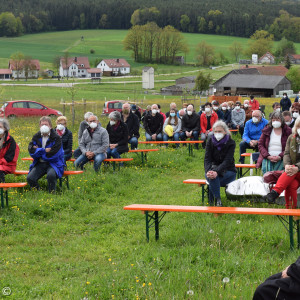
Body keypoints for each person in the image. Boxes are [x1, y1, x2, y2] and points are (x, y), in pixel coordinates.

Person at [265, 117, 300, 209]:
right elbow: (287, 153)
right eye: (298, 127)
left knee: (289, 173)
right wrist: (287, 165)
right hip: (294, 172)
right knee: (292, 184)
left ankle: (275, 192)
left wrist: (297, 167)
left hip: (297, 170)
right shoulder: (291, 138)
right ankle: (291, 210)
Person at [27, 116, 64, 193]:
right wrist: (43, 150)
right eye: (42, 124)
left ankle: (52, 193)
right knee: (30, 178)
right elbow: (31, 151)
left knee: (51, 175)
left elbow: (54, 154)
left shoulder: (56, 138)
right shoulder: (36, 137)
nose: (44, 126)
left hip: (53, 164)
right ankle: (39, 193)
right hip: (40, 163)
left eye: (46, 124)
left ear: (50, 126)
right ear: (39, 126)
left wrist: (39, 152)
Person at [204, 121, 236, 207]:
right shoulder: (210, 141)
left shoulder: (231, 143)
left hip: (229, 171)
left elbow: (227, 161)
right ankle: (218, 200)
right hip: (213, 169)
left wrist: (216, 172)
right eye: (215, 131)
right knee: (212, 176)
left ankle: (214, 201)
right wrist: (208, 171)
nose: (217, 133)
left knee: (213, 178)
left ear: (225, 132)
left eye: (220, 131)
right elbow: (207, 159)